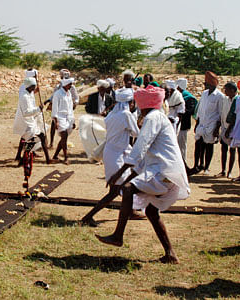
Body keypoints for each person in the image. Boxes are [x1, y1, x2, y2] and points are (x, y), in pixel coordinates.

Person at [96, 85, 190, 264]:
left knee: (128, 189)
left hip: (164, 170)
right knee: (152, 212)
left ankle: (117, 235)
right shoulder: (156, 117)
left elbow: (141, 146)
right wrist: (126, 174)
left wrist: (120, 173)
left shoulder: (153, 117)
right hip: (162, 170)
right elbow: (142, 158)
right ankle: (170, 254)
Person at [81, 88, 140, 226]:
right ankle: (88, 217)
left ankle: (130, 211)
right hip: (118, 155)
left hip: (113, 153)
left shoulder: (112, 115)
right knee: (114, 191)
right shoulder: (126, 115)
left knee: (126, 187)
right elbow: (136, 133)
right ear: (130, 102)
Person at [190, 71, 224, 175]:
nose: (205, 86)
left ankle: (206, 167)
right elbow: (200, 110)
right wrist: (196, 124)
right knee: (198, 144)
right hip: (202, 123)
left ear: (212, 84)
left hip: (212, 125)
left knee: (209, 146)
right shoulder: (204, 94)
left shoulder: (219, 96)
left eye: (207, 84)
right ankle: (196, 165)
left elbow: (220, 114)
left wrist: (217, 129)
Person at [13, 77, 50, 164]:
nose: (34, 88)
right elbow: (26, 112)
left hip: (31, 120)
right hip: (25, 122)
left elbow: (32, 109)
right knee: (38, 137)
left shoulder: (30, 94)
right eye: (33, 86)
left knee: (34, 139)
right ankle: (47, 159)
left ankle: (23, 159)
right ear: (28, 86)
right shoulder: (24, 97)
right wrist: (38, 109)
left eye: (35, 86)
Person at [48, 69, 79, 148]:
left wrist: (75, 103)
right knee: (53, 124)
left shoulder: (72, 87)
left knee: (67, 127)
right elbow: (53, 96)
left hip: (68, 108)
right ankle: (51, 142)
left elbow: (76, 97)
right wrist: (48, 101)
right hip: (58, 109)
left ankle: (63, 143)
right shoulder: (58, 87)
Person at [215, 82, 238, 178]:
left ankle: (230, 171)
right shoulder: (225, 99)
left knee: (232, 150)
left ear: (232, 90)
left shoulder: (238, 100)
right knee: (223, 149)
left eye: (226, 89)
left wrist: (229, 128)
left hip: (234, 128)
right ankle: (223, 170)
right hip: (224, 127)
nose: (225, 91)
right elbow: (222, 113)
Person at [51, 77, 75, 164]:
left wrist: (73, 120)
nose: (71, 86)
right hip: (60, 117)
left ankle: (55, 155)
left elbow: (70, 108)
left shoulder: (68, 93)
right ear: (65, 85)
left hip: (68, 117)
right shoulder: (58, 94)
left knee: (64, 137)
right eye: (69, 84)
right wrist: (56, 121)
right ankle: (66, 157)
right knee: (64, 135)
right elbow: (55, 108)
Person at [176, 78, 197, 164]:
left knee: (182, 145)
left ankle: (183, 163)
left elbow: (190, 111)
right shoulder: (178, 96)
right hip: (177, 124)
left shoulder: (189, 98)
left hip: (184, 124)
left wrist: (180, 112)